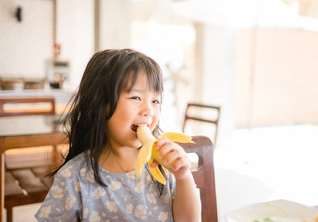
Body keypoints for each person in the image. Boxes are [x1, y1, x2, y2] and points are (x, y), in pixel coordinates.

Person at [35, 48, 201, 222]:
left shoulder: (161, 164)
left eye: (155, 101)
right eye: (136, 98)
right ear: (100, 103)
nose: (149, 110)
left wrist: (183, 177)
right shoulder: (75, 176)